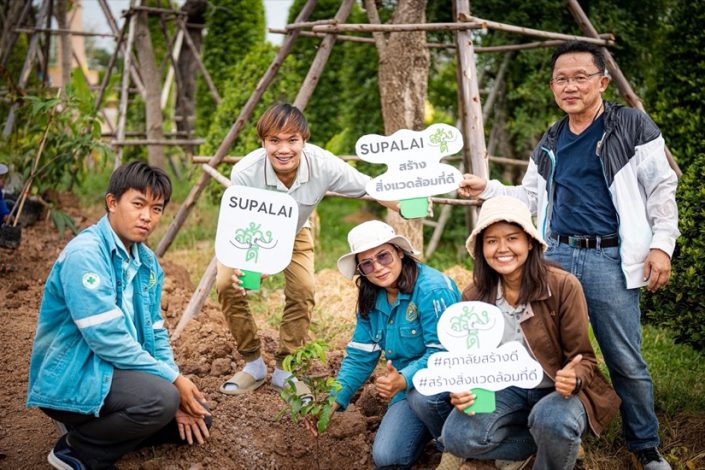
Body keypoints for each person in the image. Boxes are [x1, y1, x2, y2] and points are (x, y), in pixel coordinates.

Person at [458, 41, 679, 470]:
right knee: (544, 348)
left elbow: (661, 188)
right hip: (556, 254)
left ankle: (645, 445)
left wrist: (660, 246)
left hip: (609, 258)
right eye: (562, 79)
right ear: (552, 86)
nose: (570, 86)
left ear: (602, 81)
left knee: (623, 356)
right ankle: (551, 427)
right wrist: (487, 189)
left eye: (580, 77)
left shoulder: (631, 125)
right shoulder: (553, 138)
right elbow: (529, 198)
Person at [27, 162, 211, 470]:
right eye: (138, 204)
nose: (147, 217)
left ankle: (101, 428)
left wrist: (177, 386)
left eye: (156, 209)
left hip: (115, 371)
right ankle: (76, 449)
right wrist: (173, 381)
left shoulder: (147, 262)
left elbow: (155, 332)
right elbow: (107, 340)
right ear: (112, 202)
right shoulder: (85, 255)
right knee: (161, 399)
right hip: (75, 374)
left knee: (199, 415)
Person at [216, 103, 399, 397]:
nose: (283, 149)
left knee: (303, 289)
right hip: (249, 234)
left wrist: (404, 203)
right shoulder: (245, 173)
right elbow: (241, 224)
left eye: (292, 140)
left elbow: (368, 187)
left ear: (304, 140)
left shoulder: (323, 164)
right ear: (263, 142)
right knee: (228, 284)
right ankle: (252, 365)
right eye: (274, 140)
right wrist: (258, 265)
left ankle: (285, 370)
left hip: (296, 232)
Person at [437, 196, 620, 470]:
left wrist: (574, 378)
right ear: (481, 248)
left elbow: (584, 360)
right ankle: (539, 444)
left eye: (512, 238)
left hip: (555, 392)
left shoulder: (563, 286)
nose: (502, 249)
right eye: (491, 241)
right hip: (505, 390)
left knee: (553, 421)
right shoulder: (474, 295)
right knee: (456, 437)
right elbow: (469, 362)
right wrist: (460, 387)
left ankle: (554, 439)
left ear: (529, 242)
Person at [317, 220, 461, 469]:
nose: (378, 268)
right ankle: (430, 428)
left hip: (449, 385)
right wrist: (335, 400)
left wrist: (404, 378)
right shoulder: (371, 298)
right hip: (406, 389)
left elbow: (445, 353)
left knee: (423, 396)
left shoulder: (432, 289)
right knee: (387, 457)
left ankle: (455, 444)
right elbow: (360, 355)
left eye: (383, 256)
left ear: (400, 253)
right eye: (367, 263)